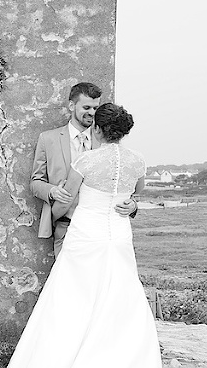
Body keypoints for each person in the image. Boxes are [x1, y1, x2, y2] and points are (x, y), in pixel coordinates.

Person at [0, 103, 164, 368]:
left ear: (98, 130)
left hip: (86, 235)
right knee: (119, 299)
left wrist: (50, 219)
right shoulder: (137, 161)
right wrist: (131, 205)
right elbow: (135, 191)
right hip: (118, 236)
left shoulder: (87, 162)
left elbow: (67, 198)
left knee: (73, 301)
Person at [30, 83, 138, 257]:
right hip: (65, 225)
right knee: (68, 281)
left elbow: (121, 181)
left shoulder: (108, 143)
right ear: (72, 106)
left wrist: (133, 205)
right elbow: (35, 182)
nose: (92, 113)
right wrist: (52, 191)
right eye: (86, 107)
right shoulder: (48, 139)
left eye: (96, 108)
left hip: (100, 231)